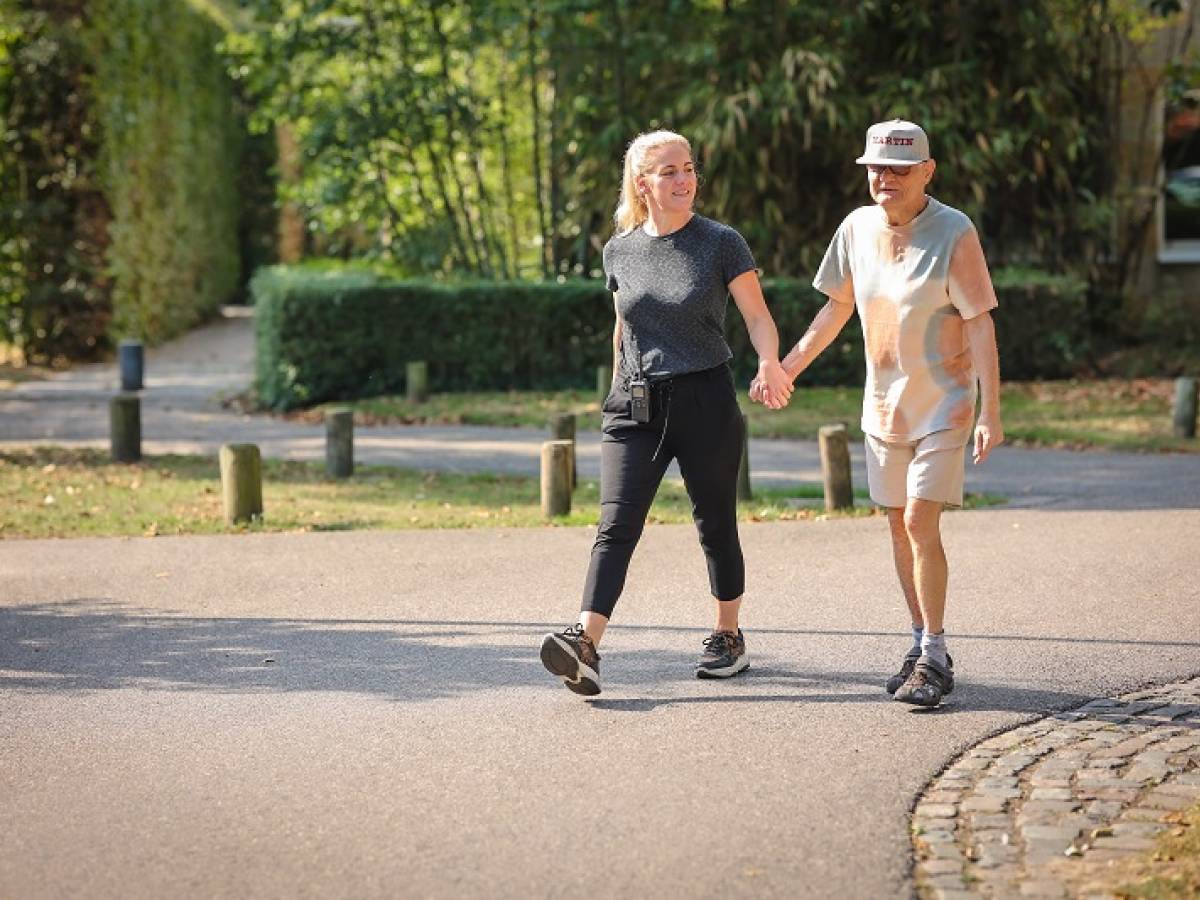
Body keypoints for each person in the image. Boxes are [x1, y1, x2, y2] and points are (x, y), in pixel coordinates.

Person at [752, 119, 1003, 707]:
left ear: (927, 171)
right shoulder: (856, 229)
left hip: (946, 401)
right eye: (874, 169)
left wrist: (992, 410)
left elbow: (980, 322)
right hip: (883, 406)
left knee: (919, 519)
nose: (883, 178)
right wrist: (787, 367)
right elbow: (836, 310)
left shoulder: (953, 231)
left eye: (896, 168)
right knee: (896, 522)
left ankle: (936, 653)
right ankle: (919, 643)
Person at [540, 129, 793, 696]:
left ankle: (728, 635)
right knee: (616, 525)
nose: (684, 180)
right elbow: (622, 326)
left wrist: (770, 361)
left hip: (705, 397)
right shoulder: (619, 250)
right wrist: (614, 393)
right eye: (669, 172)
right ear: (643, 183)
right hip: (635, 403)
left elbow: (756, 315)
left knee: (715, 523)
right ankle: (584, 643)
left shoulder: (721, 242)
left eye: (688, 168)